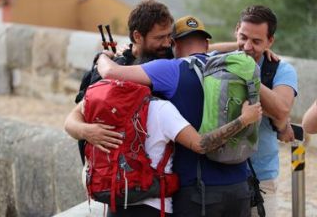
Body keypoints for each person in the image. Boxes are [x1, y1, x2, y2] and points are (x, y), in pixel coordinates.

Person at [96, 15, 257, 217]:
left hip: (198, 192)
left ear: (173, 44)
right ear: (207, 43)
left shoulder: (171, 69)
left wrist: (102, 56)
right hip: (240, 186)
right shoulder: (232, 68)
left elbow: (110, 72)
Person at [69, 74, 262, 216]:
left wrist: (87, 131)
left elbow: (69, 123)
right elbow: (201, 144)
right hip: (153, 206)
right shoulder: (161, 109)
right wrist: (244, 120)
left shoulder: (102, 102)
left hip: (113, 202)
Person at [71, 0, 174, 163]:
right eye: (160, 38)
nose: (167, 43)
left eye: (169, 36)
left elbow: (201, 50)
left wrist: (231, 47)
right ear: (137, 36)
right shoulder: (114, 68)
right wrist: (88, 131)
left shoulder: (169, 59)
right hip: (113, 174)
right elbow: (71, 121)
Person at [232, 6, 298, 217]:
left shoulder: (280, 70)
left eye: (257, 42)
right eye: (243, 37)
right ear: (236, 31)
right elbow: (195, 50)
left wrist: (247, 72)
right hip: (218, 179)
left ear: (270, 42)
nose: (247, 46)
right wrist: (234, 53)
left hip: (260, 179)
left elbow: (281, 110)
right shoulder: (221, 60)